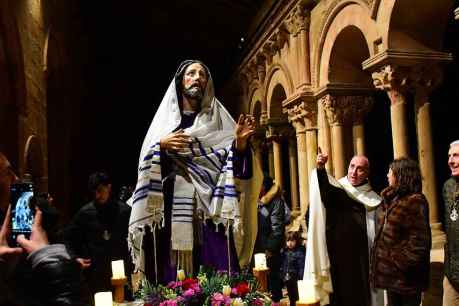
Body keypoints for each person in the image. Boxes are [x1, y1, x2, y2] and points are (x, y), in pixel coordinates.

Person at [129, 60, 262, 284]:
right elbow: (146, 168)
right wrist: (161, 146)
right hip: (173, 209)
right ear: (181, 82)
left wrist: (239, 144)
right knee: (172, 279)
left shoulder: (219, 124)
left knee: (219, 278)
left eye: (202, 74)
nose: (197, 78)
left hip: (210, 211)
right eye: (191, 73)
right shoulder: (165, 125)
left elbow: (236, 172)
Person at [0, 152, 87, 306]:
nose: (16, 179)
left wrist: (66, 262)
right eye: (7, 173)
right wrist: (53, 262)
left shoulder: (28, 216)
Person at [304, 148, 383, 306]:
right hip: (336, 256)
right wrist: (320, 168)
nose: (354, 172)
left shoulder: (373, 199)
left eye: (360, 169)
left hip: (361, 259)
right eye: (352, 166)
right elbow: (324, 192)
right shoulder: (339, 189)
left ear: (367, 173)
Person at [371, 158, 431, 306]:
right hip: (393, 279)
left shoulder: (415, 201)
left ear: (401, 175)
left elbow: (419, 243)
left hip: (406, 280)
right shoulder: (393, 199)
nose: (387, 175)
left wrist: (398, 261)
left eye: (390, 172)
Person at [63, 172, 132, 298]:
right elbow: (68, 237)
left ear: (109, 187)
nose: (97, 195)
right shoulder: (85, 213)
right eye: (94, 192)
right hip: (96, 274)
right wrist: (75, 258)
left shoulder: (124, 211)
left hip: (122, 271)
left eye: (100, 190)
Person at [254, 175, 285, 303]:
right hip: (258, 249)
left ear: (264, 187)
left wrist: (270, 249)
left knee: (273, 284)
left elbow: (277, 228)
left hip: (270, 252)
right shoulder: (258, 201)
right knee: (260, 287)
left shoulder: (276, 202)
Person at [443, 140, 459, 306]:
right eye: (449, 156)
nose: (450, 161)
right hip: (451, 273)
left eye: (456, 155)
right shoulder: (448, 186)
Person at [280, 231, 305, 306]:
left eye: (292, 241)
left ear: (296, 241)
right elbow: (283, 264)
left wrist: (300, 278)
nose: (290, 243)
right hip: (287, 278)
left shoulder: (299, 252)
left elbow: (301, 266)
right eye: (288, 241)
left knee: (296, 296)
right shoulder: (284, 251)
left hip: (295, 278)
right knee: (291, 295)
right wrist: (282, 275)